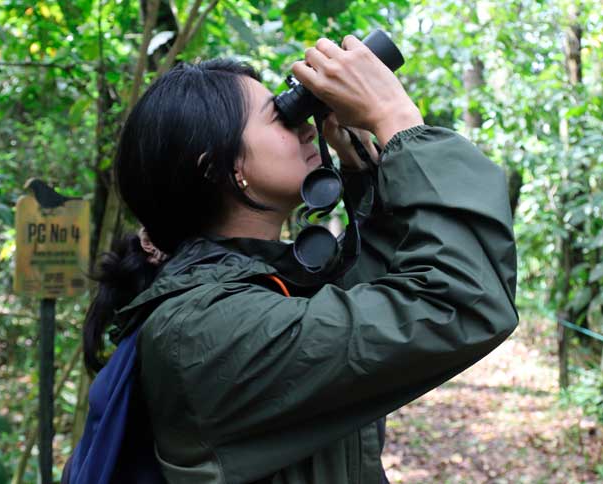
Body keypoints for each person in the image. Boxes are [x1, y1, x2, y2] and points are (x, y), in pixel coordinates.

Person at [73, 35, 518, 483]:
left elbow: (382, 282)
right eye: (281, 118)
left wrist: (364, 166)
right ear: (220, 169)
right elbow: (457, 302)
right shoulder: (205, 328)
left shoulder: (260, 287)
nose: (305, 127)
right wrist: (395, 117)